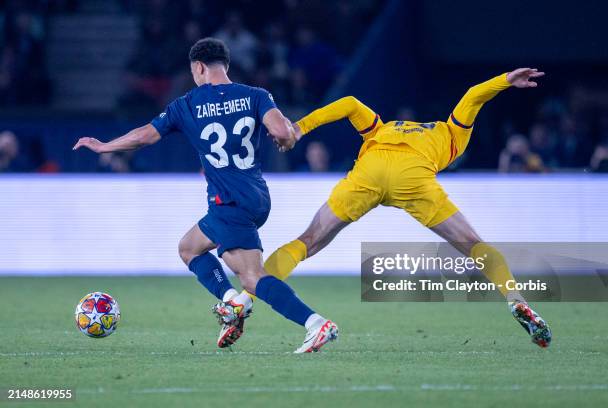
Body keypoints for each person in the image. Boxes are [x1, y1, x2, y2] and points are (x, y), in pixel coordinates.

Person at [73, 37, 338, 353]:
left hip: (229, 202)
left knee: (252, 278)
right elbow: (283, 133)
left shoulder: (187, 104)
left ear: (198, 67)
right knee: (189, 247)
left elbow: (144, 136)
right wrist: (286, 142)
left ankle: (315, 323)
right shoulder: (255, 95)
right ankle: (231, 304)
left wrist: (105, 146)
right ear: (225, 65)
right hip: (256, 196)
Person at [263, 68, 552, 348]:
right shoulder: (452, 132)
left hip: (371, 170)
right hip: (414, 177)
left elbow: (349, 104)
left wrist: (299, 128)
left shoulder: (381, 128)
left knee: (308, 240)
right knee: (474, 245)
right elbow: (474, 95)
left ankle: (245, 296)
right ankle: (515, 298)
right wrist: (507, 80)